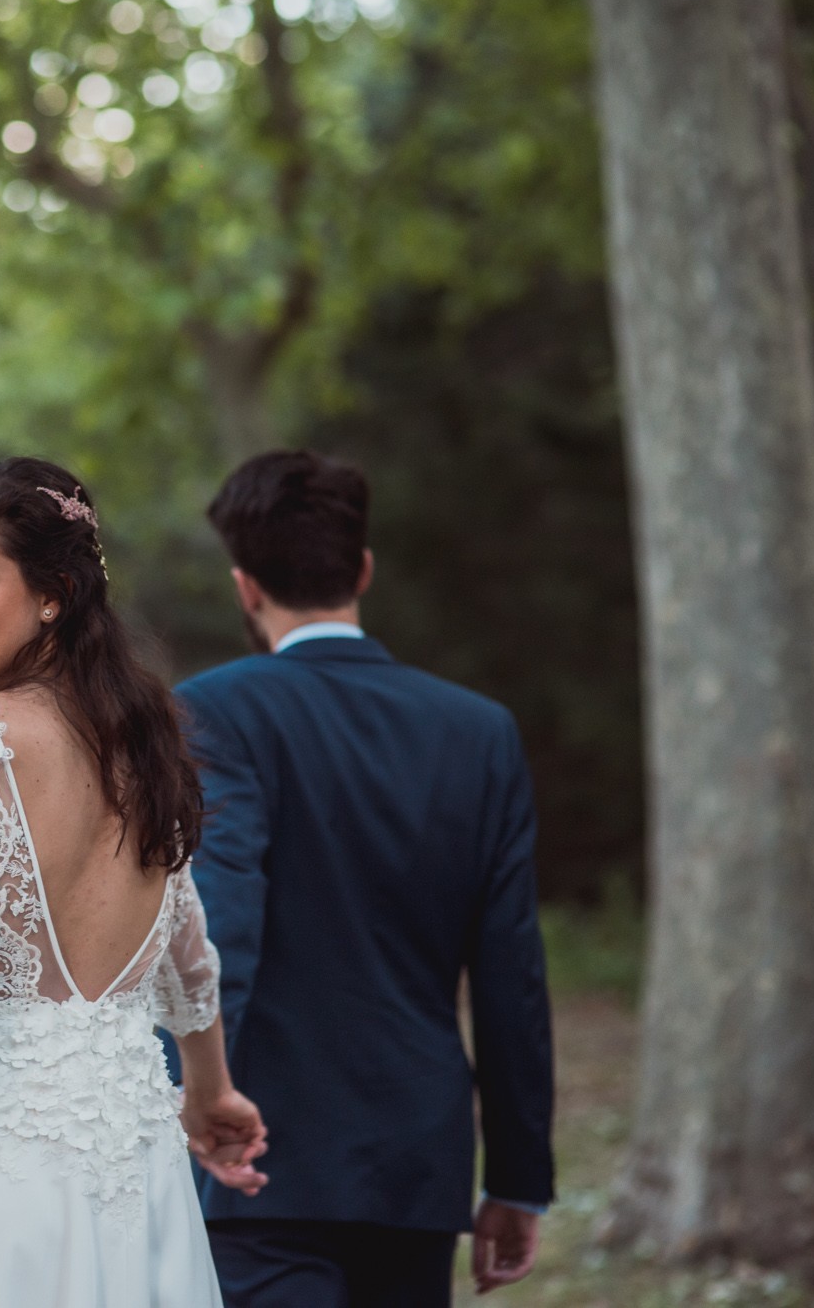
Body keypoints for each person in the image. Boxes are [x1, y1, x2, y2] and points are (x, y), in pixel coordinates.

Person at [0, 457, 268, 1308]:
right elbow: (188, 953)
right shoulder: (148, 740)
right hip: (139, 1177)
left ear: (54, 592)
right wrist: (210, 1091)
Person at [174, 450, 556, 1307]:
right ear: (365, 571)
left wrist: (193, 1107)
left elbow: (212, 927)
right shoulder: (480, 731)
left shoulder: (213, 709)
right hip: (415, 1166)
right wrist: (519, 1177)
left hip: (257, 1159)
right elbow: (511, 977)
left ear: (245, 586)